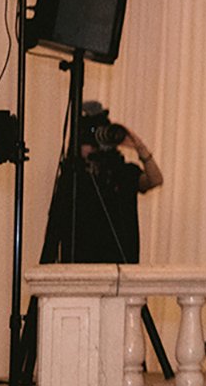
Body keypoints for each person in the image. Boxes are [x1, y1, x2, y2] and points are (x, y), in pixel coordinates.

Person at [40, 101, 163, 264]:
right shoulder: (73, 179)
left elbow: (155, 180)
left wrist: (140, 147)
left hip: (121, 269)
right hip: (79, 271)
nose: (93, 146)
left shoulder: (122, 173)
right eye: (87, 141)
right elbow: (55, 228)